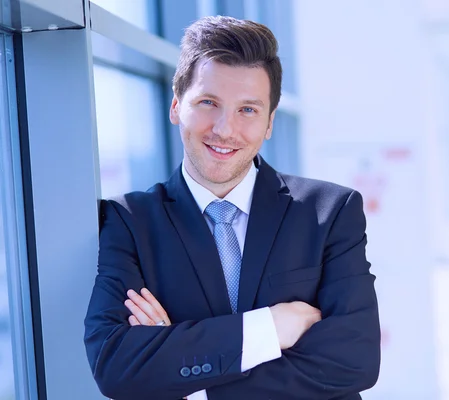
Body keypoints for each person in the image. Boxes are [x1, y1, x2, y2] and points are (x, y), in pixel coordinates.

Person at [84, 15, 380, 400]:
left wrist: (191, 381)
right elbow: (116, 366)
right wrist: (270, 328)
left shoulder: (330, 212)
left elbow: (354, 360)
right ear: (176, 106)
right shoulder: (127, 222)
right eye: (208, 103)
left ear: (270, 122)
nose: (225, 129)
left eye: (248, 110)